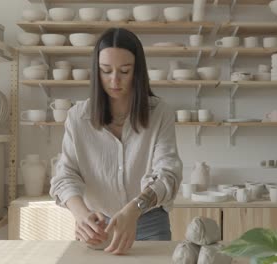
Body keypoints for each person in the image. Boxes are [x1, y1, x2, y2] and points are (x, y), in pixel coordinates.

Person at [50, 27, 183, 255]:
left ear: (137, 72)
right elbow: (65, 176)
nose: (114, 80)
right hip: (98, 226)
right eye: (105, 71)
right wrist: (82, 216)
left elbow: (168, 174)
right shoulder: (77, 117)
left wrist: (134, 209)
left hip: (149, 222)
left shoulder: (160, 112)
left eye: (124, 71)